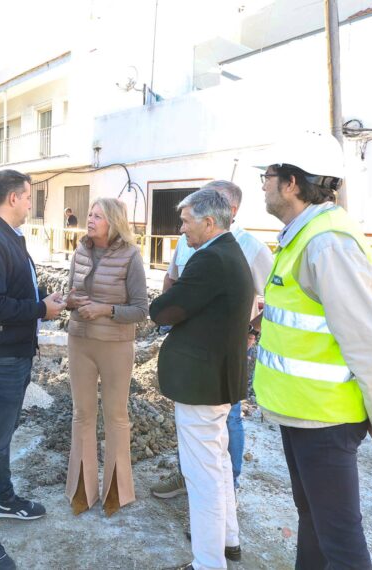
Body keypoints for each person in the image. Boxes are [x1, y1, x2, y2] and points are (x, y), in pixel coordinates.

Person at [253, 133, 372, 570]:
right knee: (315, 521)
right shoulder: (301, 236)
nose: (263, 185)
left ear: (292, 184)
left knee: (339, 536)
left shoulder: (327, 242)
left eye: (268, 177)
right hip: (301, 413)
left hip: (326, 419)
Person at [0, 169, 66, 570]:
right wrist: (40, 309)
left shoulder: (7, 237)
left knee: (0, 434)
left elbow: (10, 292)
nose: (30, 203)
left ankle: (2, 497)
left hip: (10, 354)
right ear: (14, 198)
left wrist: (41, 297)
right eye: (27, 196)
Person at [150, 189, 254, 570]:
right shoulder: (228, 252)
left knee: (202, 473)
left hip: (201, 383)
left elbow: (163, 310)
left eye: (186, 221)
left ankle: (208, 562)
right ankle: (229, 542)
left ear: (209, 222)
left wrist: (166, 300)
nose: (181, 228)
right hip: (216, 379)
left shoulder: (209, 259)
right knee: (219, 462)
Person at [152, 180, 273, 500]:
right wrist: (168, 316)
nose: (181, 228)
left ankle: (224, 491)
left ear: (226, 213)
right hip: (196, 355)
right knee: (199, 442)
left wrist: (252, 332)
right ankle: (189, 478)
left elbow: (276, 298)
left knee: (224, 427)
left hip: (221, 355)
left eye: (186, 220)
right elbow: (174, 279)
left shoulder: (249, 247)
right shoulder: (194, 242)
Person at [64, 198, 149, 517]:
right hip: (79, 341)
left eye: (98, 215)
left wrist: (106, 309)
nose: (90, 219)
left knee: (116, 417)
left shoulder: (131, 255)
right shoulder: (80, 251)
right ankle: (82, 491)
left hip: (115, 345)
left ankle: (117, 491)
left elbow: (141, 309)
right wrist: (70, 300)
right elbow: (69, 292)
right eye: (89, 214)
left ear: (114, 221)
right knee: (81, 415)